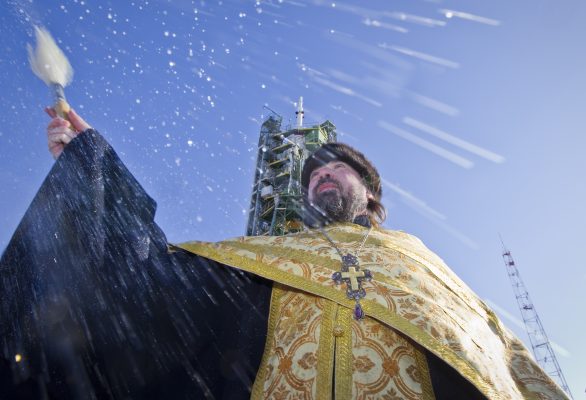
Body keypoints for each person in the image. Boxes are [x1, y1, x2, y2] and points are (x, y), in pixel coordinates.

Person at [0, 108, 567, 400]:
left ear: (371, 190)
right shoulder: (265, 261)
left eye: (336, 167)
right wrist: (96, 172)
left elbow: (496, 357)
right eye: (314, 171)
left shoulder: (419, 262)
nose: (322, 174)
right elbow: (156, 284)